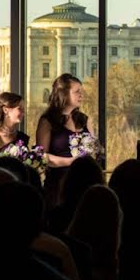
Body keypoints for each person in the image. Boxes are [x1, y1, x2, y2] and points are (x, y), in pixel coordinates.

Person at [36, 74, 93, 211]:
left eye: (82, 91)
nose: (81, 95)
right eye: (77, 92)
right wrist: (72, 161)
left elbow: (93, 148)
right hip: (59, 185)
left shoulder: (85, 120)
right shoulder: (47, 121)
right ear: (64, 94)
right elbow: (42, 157)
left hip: (84, 184)